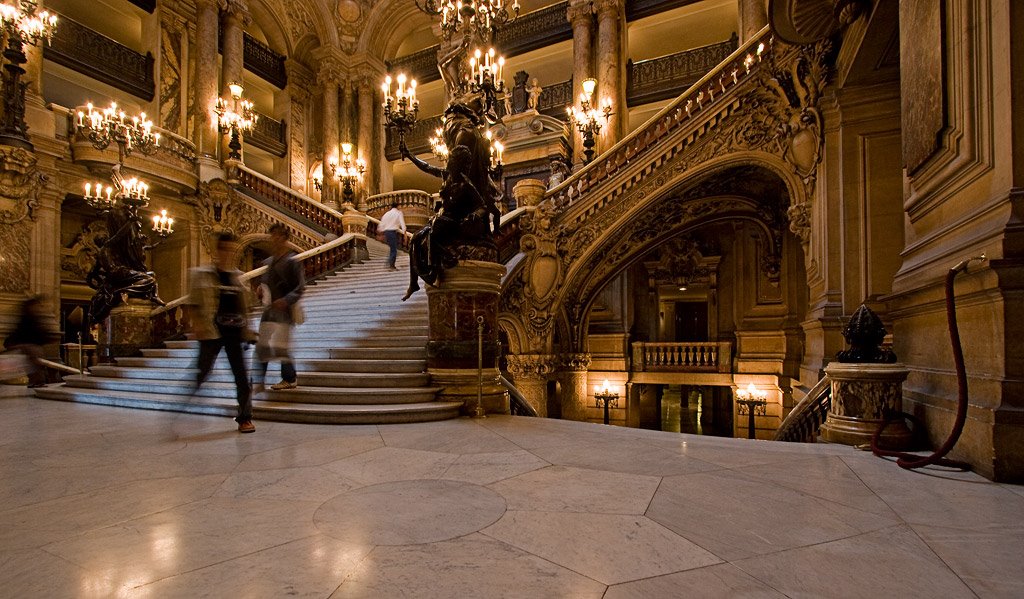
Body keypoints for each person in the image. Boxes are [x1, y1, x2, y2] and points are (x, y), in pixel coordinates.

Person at [187, 232, 256, 433]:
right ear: (218, 250)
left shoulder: (239, 278)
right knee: (202, 372)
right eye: (225, 249)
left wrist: (248, 329)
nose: (228, 254)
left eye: (232, 250)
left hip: (235, 334)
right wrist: (196, 325)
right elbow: (192, 303)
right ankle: (189, 401)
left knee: (242, 377)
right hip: (211, 332)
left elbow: (246, 308)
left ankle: (245, 418)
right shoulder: (201, 274)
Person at [254, 223, 305, 392]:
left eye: (277, 236)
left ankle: (289, 378)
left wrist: (286, 300)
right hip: (269, 309)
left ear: (284, 239)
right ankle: (259, 380)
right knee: (262, 344)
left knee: (282, 346)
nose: (274, 239)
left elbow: (299, 288)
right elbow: (265, 283)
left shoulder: (292, 262)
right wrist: (260, 290)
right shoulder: (268, 262)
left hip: (284, 310)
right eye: (272, 236)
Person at [3, 295, 59, 388]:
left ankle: (38, 382)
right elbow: (30, 334)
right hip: (27, 348)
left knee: (35, 364)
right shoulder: (28, 319)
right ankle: (38, 382)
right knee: (35, 359)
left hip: (28, 348)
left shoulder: (31, 318)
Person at [378, 201, 407, 270]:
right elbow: (402, 224)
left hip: (387, 233)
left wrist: (380, 234)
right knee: (394, 250)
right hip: (392, 233)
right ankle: (391, 266)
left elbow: (381, 224)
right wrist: (405, 234)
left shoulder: (387, 214)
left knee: (392, 249)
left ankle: (389, 263)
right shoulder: (398, 213)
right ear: (398, 206)